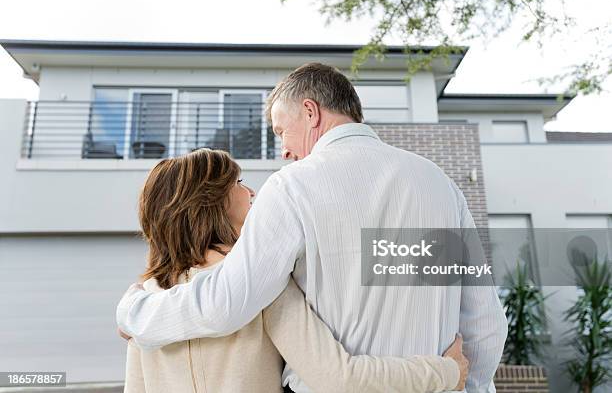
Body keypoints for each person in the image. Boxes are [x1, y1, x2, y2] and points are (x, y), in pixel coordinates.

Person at [117, 63, 507, 392]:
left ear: (310, 112)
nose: (284, 150)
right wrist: (462, 381)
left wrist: (133, 313)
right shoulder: (437, 183)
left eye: (281, 131)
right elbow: (483, 324)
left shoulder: (291, 187)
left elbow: (225, 303)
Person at [123, 148, 467, 393]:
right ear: (211, 201)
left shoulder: (146, 302)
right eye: (238, 182)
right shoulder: (260, 286)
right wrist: (446, 371)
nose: (251, 191)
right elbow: (339, 379)